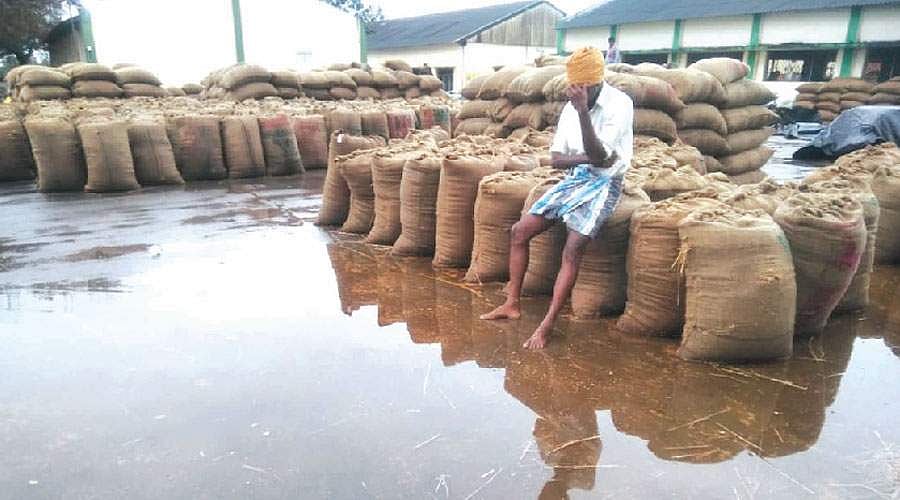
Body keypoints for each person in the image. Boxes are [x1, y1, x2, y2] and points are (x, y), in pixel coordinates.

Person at [480, 46, 634, 349]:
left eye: (580, 89)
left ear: (593, 84)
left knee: (572, 248)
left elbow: (603, 160)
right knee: (519, 232)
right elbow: (556, 160)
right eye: (572, 87)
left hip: (606, 183)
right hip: (576, 178)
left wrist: (583, 118)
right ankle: (512, 304)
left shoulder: (620, 105)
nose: (574, 93)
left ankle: (547, 325)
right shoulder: (569, 109)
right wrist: (584, 157)